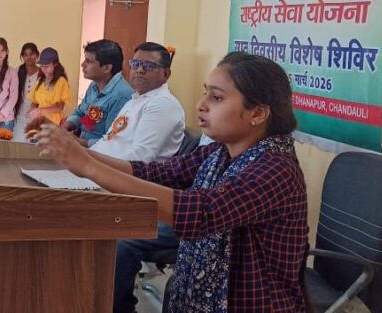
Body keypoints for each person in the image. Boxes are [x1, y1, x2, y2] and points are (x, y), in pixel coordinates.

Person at [36, 52, 309, 313]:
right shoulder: (220, 152)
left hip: (250, 303)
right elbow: (158, 173)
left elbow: (201, 212)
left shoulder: (276, 168)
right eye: (206, 93)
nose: (201, 105)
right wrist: (82, 154)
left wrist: (87, 166)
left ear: (258, 114)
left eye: (216, 98)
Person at [88, 43, 184, 162]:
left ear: (166, 74)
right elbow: (108, 139)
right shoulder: (135, 99)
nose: (139, 70)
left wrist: (90, 166)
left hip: (114, 171)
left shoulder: (163, 104)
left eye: (148, 66)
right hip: (97, 163)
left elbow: (140, 157)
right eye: (135, 64)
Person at [62, 40, 133, 146]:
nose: (82, 65)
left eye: (88, 61)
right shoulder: (94, 85)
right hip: (82, 144)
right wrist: (65, 128)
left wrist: (78, 142)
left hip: (98, 152)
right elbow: (81, 113)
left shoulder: (121, 96)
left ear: (106, 68)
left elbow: (112, 140)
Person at [27, 47, 72, 127]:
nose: (44, 69)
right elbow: (34, 102)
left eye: (47, 66)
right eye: (42, 66)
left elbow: (59, 107)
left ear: (55, 64)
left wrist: (40, 111)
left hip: (53, 125)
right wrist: (33, 111)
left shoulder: (61, 81)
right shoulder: (40, 81)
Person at [12, 43, 41, 142]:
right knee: (17, 144)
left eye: (31, 54)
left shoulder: (42, 73)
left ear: (37, 55)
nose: (29, 57)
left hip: (36, 116)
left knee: (32, 146)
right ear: (22, 56)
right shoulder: (17, 71)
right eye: (25, 55)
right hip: (19, 115)